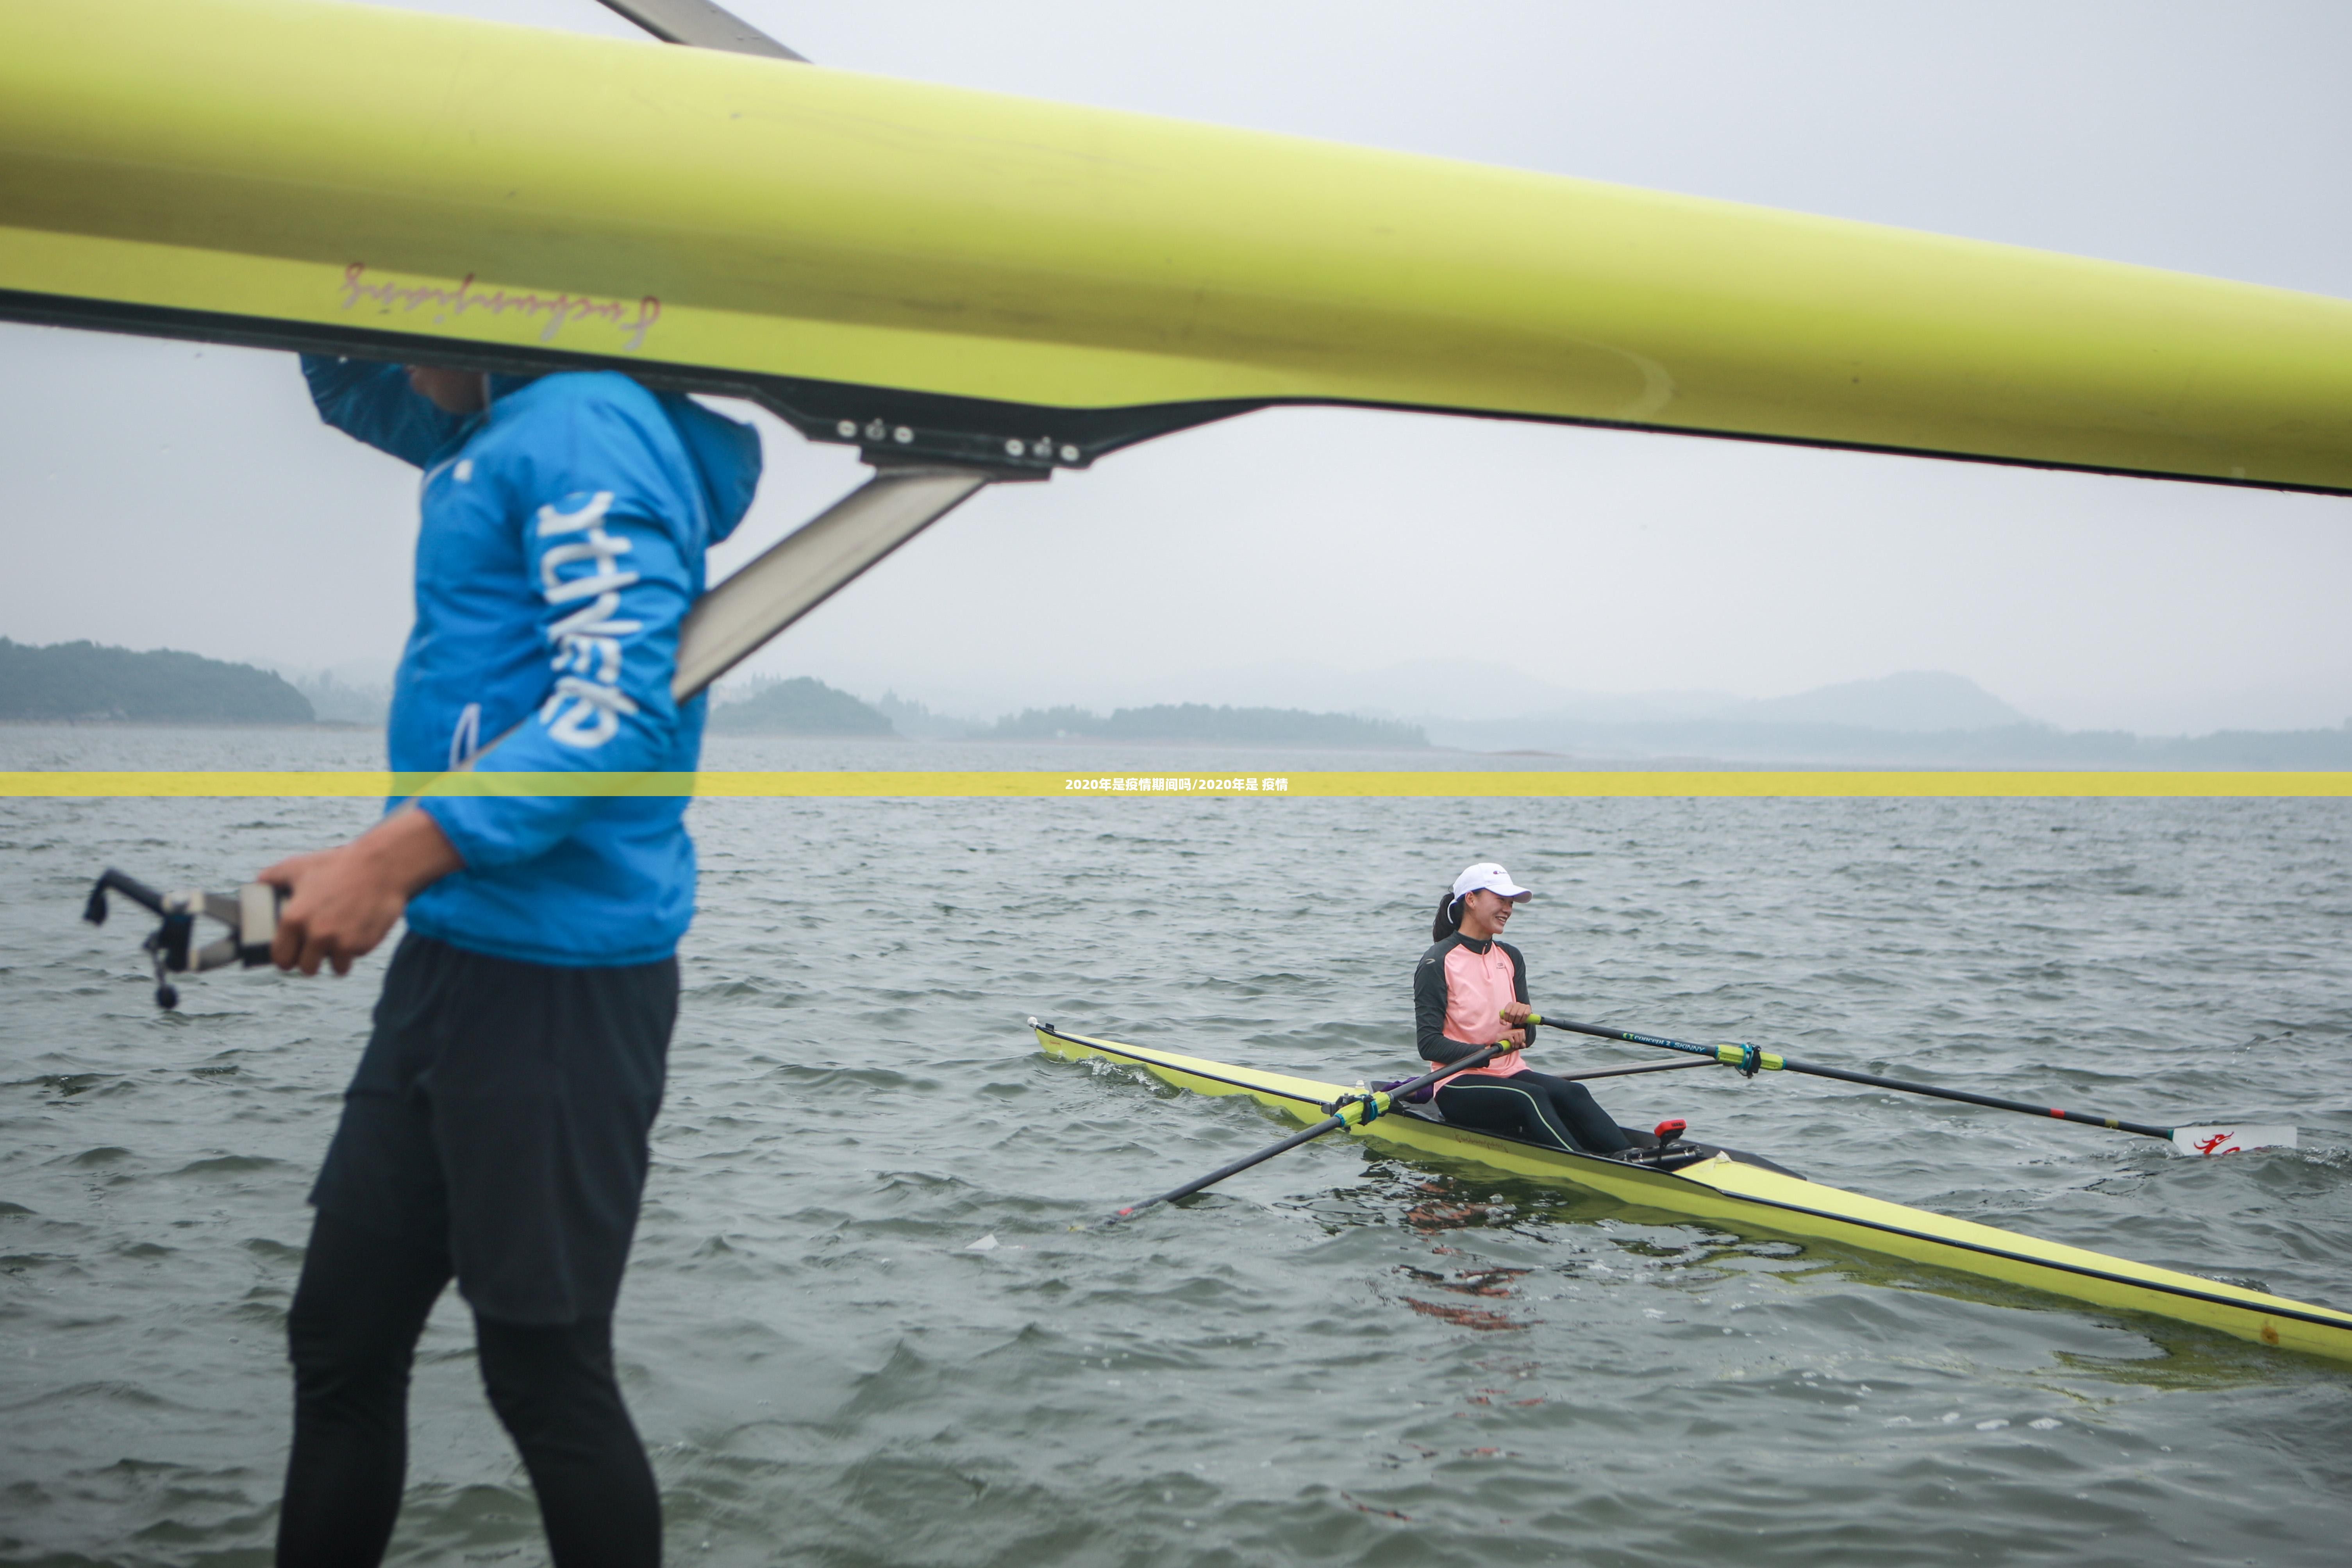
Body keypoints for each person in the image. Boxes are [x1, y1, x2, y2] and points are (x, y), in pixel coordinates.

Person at [259, 356, 761, 1568]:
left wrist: (390, 858)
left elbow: (619, 710)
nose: (391, 338)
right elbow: (358, 389)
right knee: (340, 1342)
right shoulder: (492, 423)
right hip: (452, 956)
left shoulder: (585, 429)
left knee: (542, 1371)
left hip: (563, 985)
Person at [1413, 862, 1638, 1156]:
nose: (1508, 909)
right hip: (1456, 1082)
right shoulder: (1436, 962)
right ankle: (1590, 1166)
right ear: (1471, 899)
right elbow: (1428, 1045)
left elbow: (1527, 1038)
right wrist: (1484, 1050)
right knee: (1530, 1097)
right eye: (1500, 900)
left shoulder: (1510, 957)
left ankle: (1632, 1158)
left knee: (1573, 1092)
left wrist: (1522, 1025)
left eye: (1510, 902)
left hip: (1511, 1072)